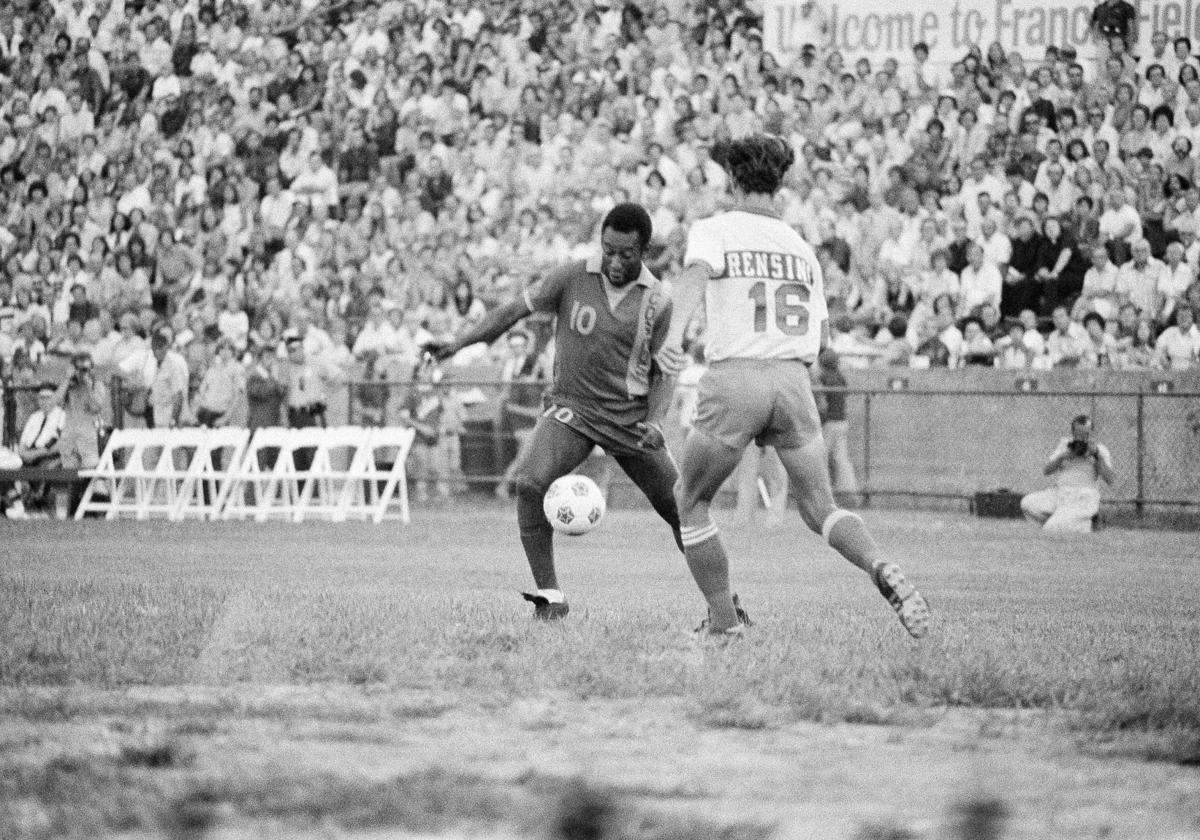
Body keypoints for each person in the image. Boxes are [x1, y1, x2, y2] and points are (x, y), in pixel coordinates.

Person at [656, 134, 930, 639]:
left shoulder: (715, 228)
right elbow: (822, 337)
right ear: (779, 183)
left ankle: (723, 622)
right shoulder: (800, 246)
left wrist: (673, 338)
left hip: (737, 374)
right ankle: (878, 565)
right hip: (794, 382)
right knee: (820, 507)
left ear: (734, 180)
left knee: (689, 499)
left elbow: (693, 280)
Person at [424, 203, 683, 620]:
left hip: (629, 419)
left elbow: (664, 373)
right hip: (573, 409)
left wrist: (655, 421)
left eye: (626, 254)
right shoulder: (572, 275)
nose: (615, 262)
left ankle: (726, 606)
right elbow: (512, 312)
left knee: (682, 509)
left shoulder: (660, 302)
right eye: (608, 250)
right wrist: (458, 344)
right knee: (529, 483)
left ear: (644, 251)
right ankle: (551, 600)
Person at [1021, 415, 1115, 532]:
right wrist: (1062, 456)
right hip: (1060, 493)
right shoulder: (1065, 446)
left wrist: (1097, 456)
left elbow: (1110, 480)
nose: (1082, 439)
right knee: (1028, 503)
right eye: (1078, 435)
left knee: (1052, 528)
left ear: (1092, 433)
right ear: (1073, 433)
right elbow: (1046, 470)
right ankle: (1073, 521)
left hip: (1083, 496)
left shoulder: (1100, 450)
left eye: (1086, 434)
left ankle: (1083, 523)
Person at [815, 348, 858, 499]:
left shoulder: (824, 377)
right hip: (842, 421)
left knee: (822, 457)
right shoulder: (840, 377)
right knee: (841, 458)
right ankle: (849, 491)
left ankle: (823, 492)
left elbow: (822, 405)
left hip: (830, 422)